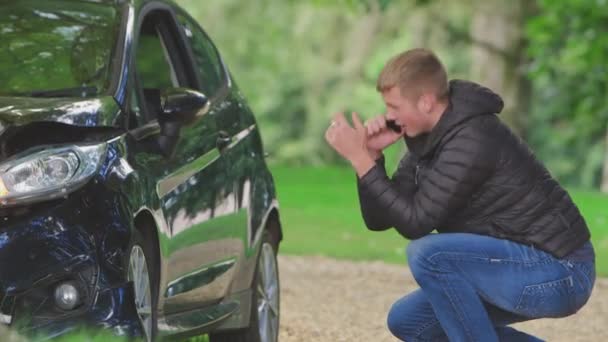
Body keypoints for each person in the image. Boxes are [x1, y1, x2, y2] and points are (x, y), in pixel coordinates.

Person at [324, 48, 595, 342]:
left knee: (429, 254)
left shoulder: (473, 138)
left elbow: (416, 223)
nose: (388, 116)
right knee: (409, 321)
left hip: (560, 271)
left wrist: (359, 160)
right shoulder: (426, 140)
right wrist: (372, 158)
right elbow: (380, 219)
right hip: (514, 264)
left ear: (426, 102)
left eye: (394, 106)